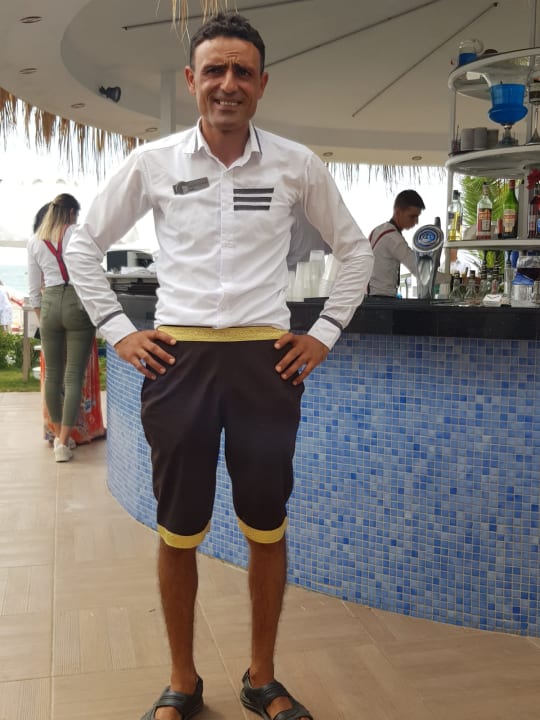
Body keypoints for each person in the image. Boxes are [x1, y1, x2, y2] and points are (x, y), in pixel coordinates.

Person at [66, 11, 373, 720]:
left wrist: (324, 333)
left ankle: (262, 678)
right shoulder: (153, 163)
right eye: (215, 70)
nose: (228, 83)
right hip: (180, 363)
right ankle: (183, 680)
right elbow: (82, 245)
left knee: (267, 524)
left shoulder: (296, 164)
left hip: (267, 365)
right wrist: (119, 331)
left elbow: (355, 251)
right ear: (192, 80)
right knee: (178, 528)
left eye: (242, 71)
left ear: (262, 84)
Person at [27, 193, 96, 462]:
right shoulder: (78, 233)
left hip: (49, 303)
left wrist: (42, 316)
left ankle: (58, 438)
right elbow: (91, 270)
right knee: (73, 375)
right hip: (77, 302)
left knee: (53, 376)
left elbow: (34, 290)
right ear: (70, 213)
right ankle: (64, 441)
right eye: (76, 214)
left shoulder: (35, 241)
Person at [368, 189, 446, 297]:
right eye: (412, 216)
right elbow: (420, 271)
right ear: (398, 212)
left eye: (417, 216)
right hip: (381, 299)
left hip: (369, 297)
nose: (416, 222)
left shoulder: (377, 230)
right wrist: (453, 279)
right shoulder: (393, 238)